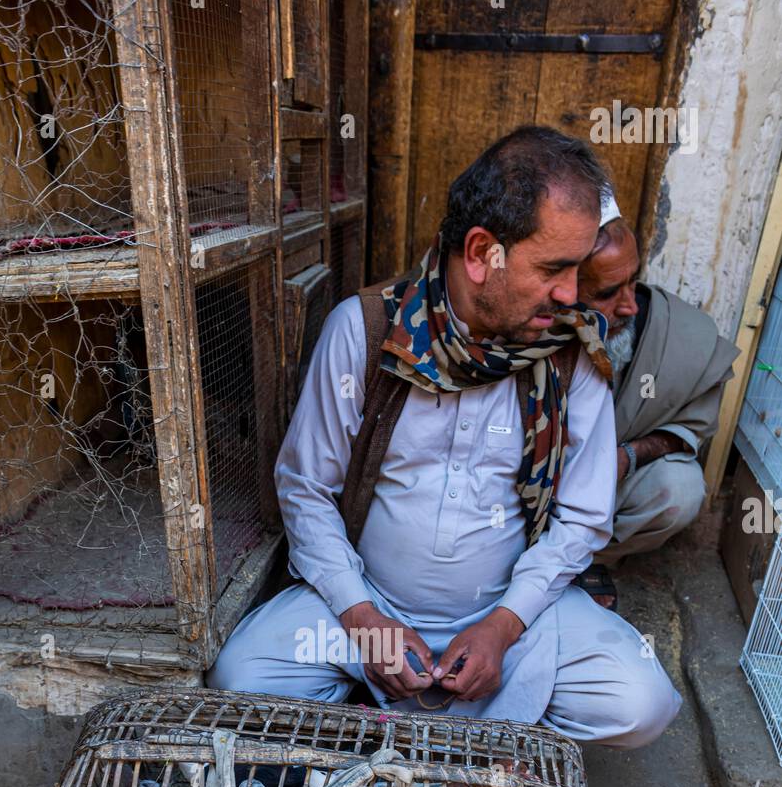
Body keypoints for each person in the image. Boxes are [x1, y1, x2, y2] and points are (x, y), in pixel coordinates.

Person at [209, 126, 681, 749]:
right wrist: (363, 618)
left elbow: (582, 520)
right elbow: (305, 489)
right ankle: (439, 712)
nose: (572, 293)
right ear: (483, 253)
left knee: (640, 704)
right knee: (241, 679)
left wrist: (503, 627)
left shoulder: (572, 355)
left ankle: (406, 714)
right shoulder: (365, 330)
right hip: (368, 601)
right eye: (553, 269)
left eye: (576, 268)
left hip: (513, 616)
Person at [575, 211, 738, 607]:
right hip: (525, 483)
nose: (629, 306)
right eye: (607, 293)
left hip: (607, 485)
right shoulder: (525, 325)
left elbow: (690, 428)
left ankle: (587, 558)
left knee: (680, 489)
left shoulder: (680, 335)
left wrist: (629, 455)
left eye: (633, 281)